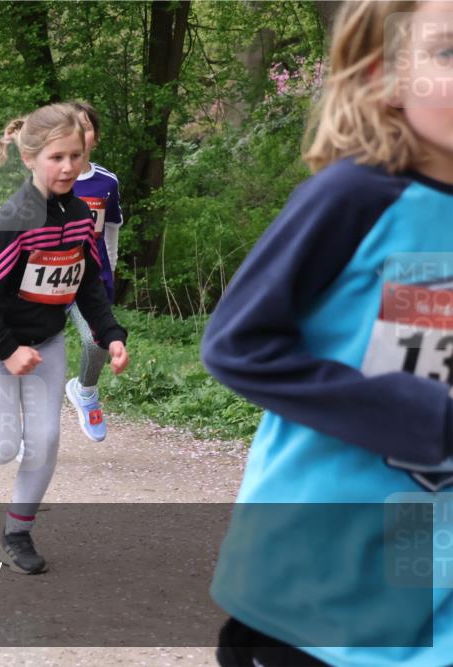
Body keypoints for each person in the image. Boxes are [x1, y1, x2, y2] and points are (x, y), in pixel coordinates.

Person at [201, 1, 453, 665]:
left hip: (423, 549)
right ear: (387, 77)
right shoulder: (354, 196)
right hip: (314, 575)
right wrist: (427, 418)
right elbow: (237, 344)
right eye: (449, 53)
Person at [0, 104, 130, 575]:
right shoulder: (17, 217)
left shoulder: (79, 213)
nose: (69, 166)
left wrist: (109, 333)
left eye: (75, 155)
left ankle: (16, 535)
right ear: (29, 158)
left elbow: (89, 281)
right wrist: (8, 350)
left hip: (47, 342)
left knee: (47, 439)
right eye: (56, 157)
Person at [64, 101, 124, 442]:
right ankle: (24, 418)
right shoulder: (46, 177)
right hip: (47, 280)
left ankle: (85, 390)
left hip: (91, 280)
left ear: (95, 138)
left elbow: (111, 233)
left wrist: (109, 275)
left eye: (85, 126)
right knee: (36, 348)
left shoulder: (106, 182)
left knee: (98, 340)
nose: (78, 133)